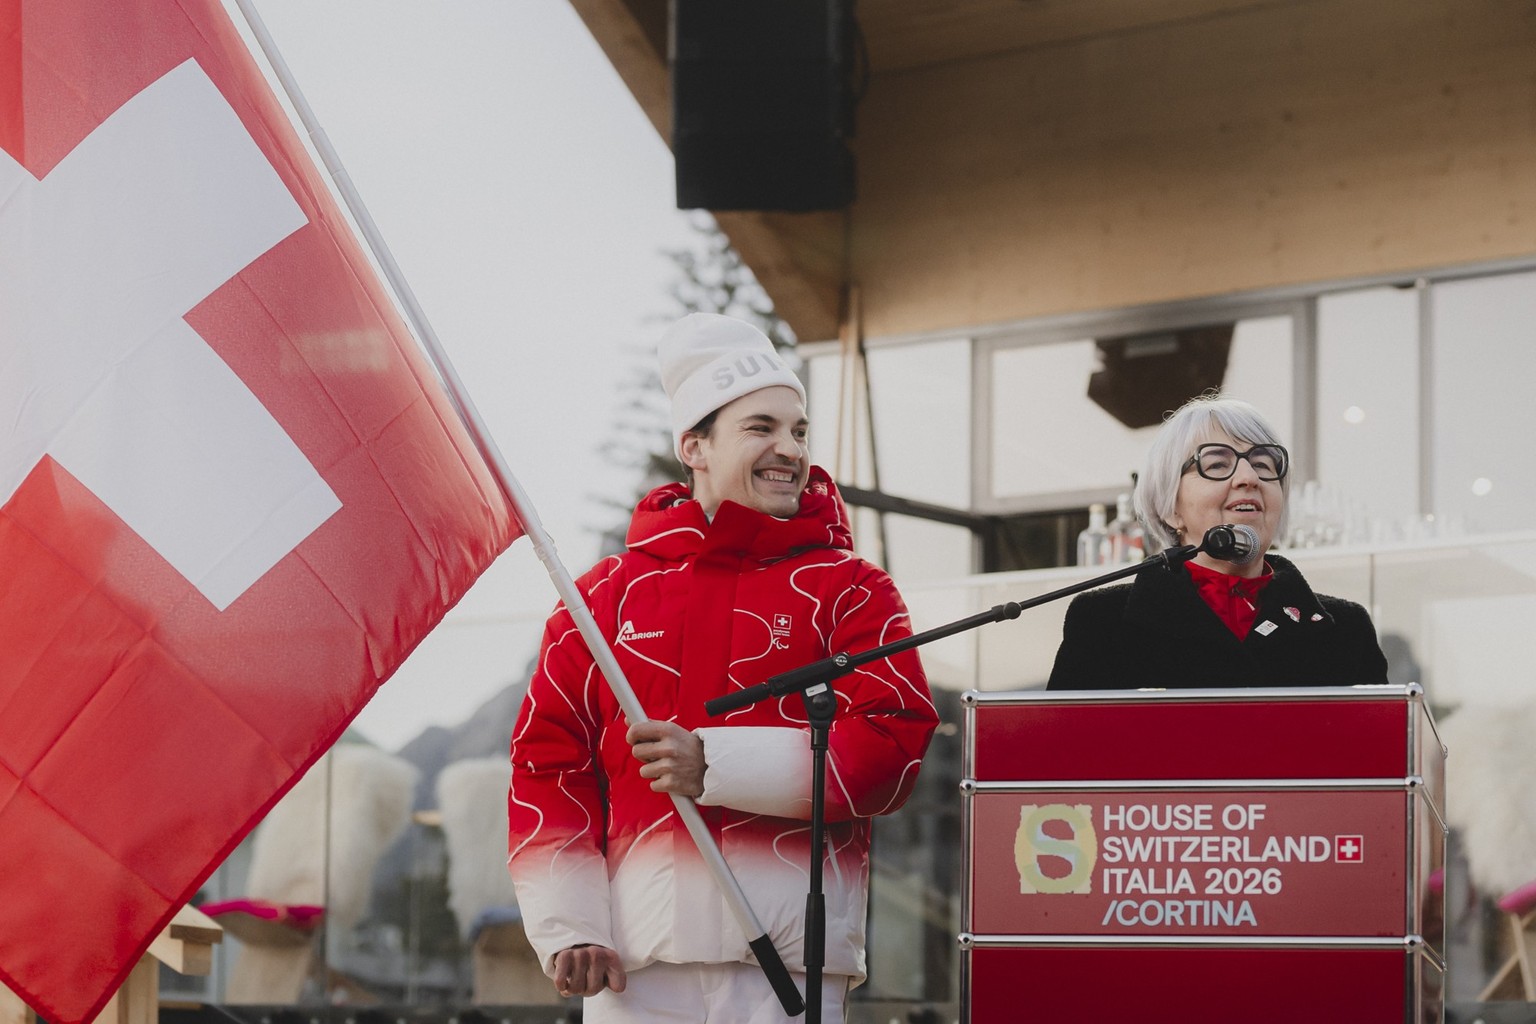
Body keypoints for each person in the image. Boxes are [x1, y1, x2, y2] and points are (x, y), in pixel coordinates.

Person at [507, 313, 938, 1022]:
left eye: (799, 431)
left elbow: (893, 750)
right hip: (633, 972)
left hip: (793, 969)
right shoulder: (602, 597)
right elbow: (547, 762)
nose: (789, 449)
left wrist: (713, 764)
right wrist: (570, 925)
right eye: (760, 427)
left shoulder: (854, 589)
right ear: (694, 446)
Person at [1047, 395, 1389, 690]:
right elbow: (1059, 756)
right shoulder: (1103, 622)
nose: (1249, 478)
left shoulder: (1345, 629)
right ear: (1170, 507)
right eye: (1217, 464)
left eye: (1262, 463)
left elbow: (1387, 756)